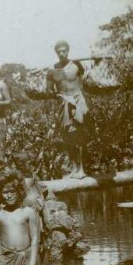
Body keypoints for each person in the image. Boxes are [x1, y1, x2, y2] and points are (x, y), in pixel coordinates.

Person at [27, 40, 91, 179]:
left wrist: (94, 65)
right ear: (56, 53)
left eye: (64, 51)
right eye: (59, 51)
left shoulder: (77, 66)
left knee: (79, 135)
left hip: (78, 101)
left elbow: (87, 81)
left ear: (68, 51)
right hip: (63, 104)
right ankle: (74, 168)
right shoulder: (52, 71)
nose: (62, 53)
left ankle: (82, 169)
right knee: (68, 137)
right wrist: (57, 95)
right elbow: (50, 92)